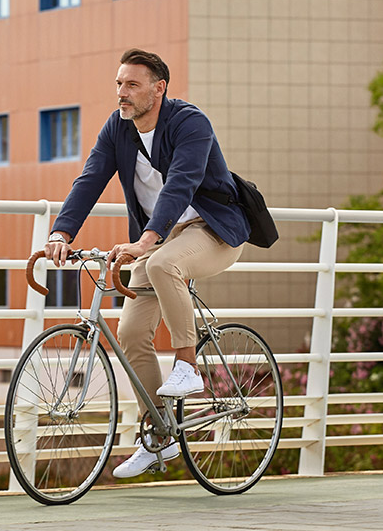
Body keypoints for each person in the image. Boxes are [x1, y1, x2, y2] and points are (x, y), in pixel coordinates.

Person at [43, 48, 250, 478]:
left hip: (212, 231)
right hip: (157, 238)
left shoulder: (190, 123)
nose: (122, 92)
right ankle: (159, 436)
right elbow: (90, 178)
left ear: (159, 88)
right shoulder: (117, 129)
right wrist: (61, 232)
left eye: (132, 84)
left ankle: (187, 365)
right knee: (131, 333)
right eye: (119, 83)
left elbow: (181, 184)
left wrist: (146, 241)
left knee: (161, 265)